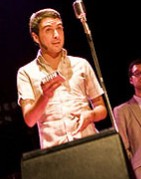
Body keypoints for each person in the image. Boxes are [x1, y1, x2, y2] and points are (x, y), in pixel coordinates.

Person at [16, 8, 108, 148]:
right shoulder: (26, 73)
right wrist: (45, 96)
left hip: (89, 143)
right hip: (56, 151)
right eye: (48, 30)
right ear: (35, 37)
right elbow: (30, 120)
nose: (56, 35)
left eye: (59, 28)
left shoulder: (81, 64)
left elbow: (101, 108)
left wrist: (91, 115)